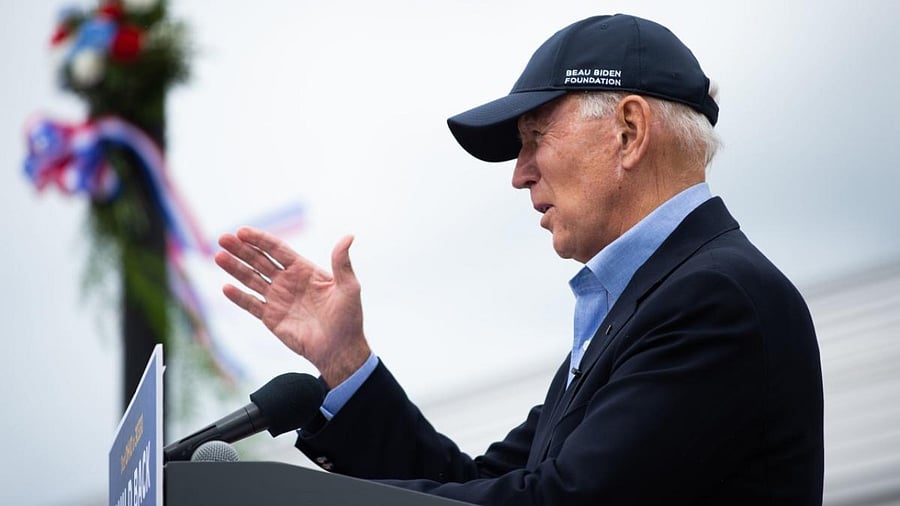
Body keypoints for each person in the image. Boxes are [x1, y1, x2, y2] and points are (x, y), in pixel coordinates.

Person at [214, 13, 824, 506]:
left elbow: (556, 503)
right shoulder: (659, 304)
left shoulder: (714, 300)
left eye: (535, 137)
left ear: (630, 131)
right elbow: (465, 486)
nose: (519, 174)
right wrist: (345, 361)